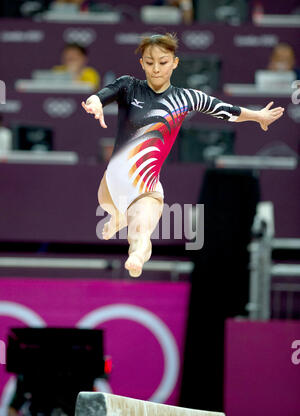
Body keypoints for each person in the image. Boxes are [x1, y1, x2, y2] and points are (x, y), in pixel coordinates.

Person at [81, 33, 284, 278]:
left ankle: (136, 255)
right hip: (111, 185)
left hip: (147, 189)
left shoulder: (186, 98)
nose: (156, 69)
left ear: (175, 62)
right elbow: (102, 94)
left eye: (163, 62)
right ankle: (118, 218)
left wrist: (257, 116)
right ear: (142, 63)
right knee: (113, 211)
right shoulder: (128, 86)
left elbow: (225, 111)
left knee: (140, 235)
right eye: (149, 62)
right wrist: (94, 102)